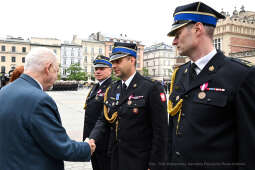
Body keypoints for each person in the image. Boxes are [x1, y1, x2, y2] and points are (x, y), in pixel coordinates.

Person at [167, 2, 255, 170]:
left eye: (177, 34)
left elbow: (250, 146)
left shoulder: (241, 75)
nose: (174, 41)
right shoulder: (180, 74)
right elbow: (173, 133)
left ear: (197, 29)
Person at [0, 47, 95, 170]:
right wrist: (86, 147)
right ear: (48, 68)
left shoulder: (4, 91)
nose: (56, 76)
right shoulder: (39, 99)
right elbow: (60, 146)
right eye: (56, 70)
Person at [89, 42, 168, 170]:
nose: (113, 65)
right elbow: (103, 120)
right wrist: (92, 138)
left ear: (131, 60)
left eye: (118, 61)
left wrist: (155, 165)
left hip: (139, 161)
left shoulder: (151, 88)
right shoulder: (113, 89)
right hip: (115, 159)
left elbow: (161, 133)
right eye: (112, 62)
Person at [83, 55, 112, 170]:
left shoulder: (112, 87)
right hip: (92, 138)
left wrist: (94, 137)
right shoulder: (95, 87)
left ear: (110, 70)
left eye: (102, 68)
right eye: (96, 69)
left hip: (103, 140)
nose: (98, 71)